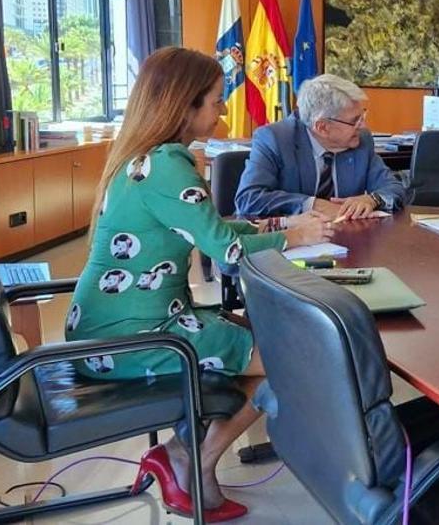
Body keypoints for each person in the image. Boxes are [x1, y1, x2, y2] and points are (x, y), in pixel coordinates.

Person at [65, 47, 334, 521]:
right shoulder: (169, 166)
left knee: (258, 333)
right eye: (215, 100)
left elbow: (214, 230)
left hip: (115, 325)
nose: (223, 109)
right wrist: (294, 235)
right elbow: (225, 252)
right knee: (290, 358)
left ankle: (183, 454)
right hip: (132, 337)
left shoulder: (148, 158)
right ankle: (195, 458)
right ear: (183, 104)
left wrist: (284, 225)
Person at [234, 73, 406, 220]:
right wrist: (312, 205)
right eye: (355, 121)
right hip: (286, 243)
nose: (363, 126)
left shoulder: (361, 140)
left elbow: (394, 187)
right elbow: (249, 199)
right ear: (322, 127)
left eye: (362, 116)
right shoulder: (274, 139)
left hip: (346, 242)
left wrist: (372, 199)